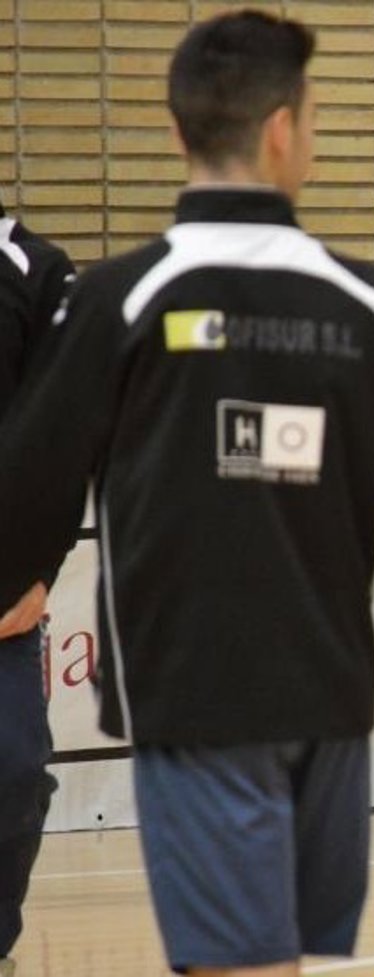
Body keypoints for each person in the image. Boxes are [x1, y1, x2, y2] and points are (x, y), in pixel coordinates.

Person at [0, 10, 374, 977]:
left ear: (178, 131)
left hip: (194, 698)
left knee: (241, 962)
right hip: (332, 705)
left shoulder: (120, 300)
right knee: (265, 956)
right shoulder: (364, 301)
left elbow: (29, 484)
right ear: (281, 129)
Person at [0, 200, 76, 977]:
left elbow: (64, 433)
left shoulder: (38, 272)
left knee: (16, 771)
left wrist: (41, 570)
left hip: (5, 608)